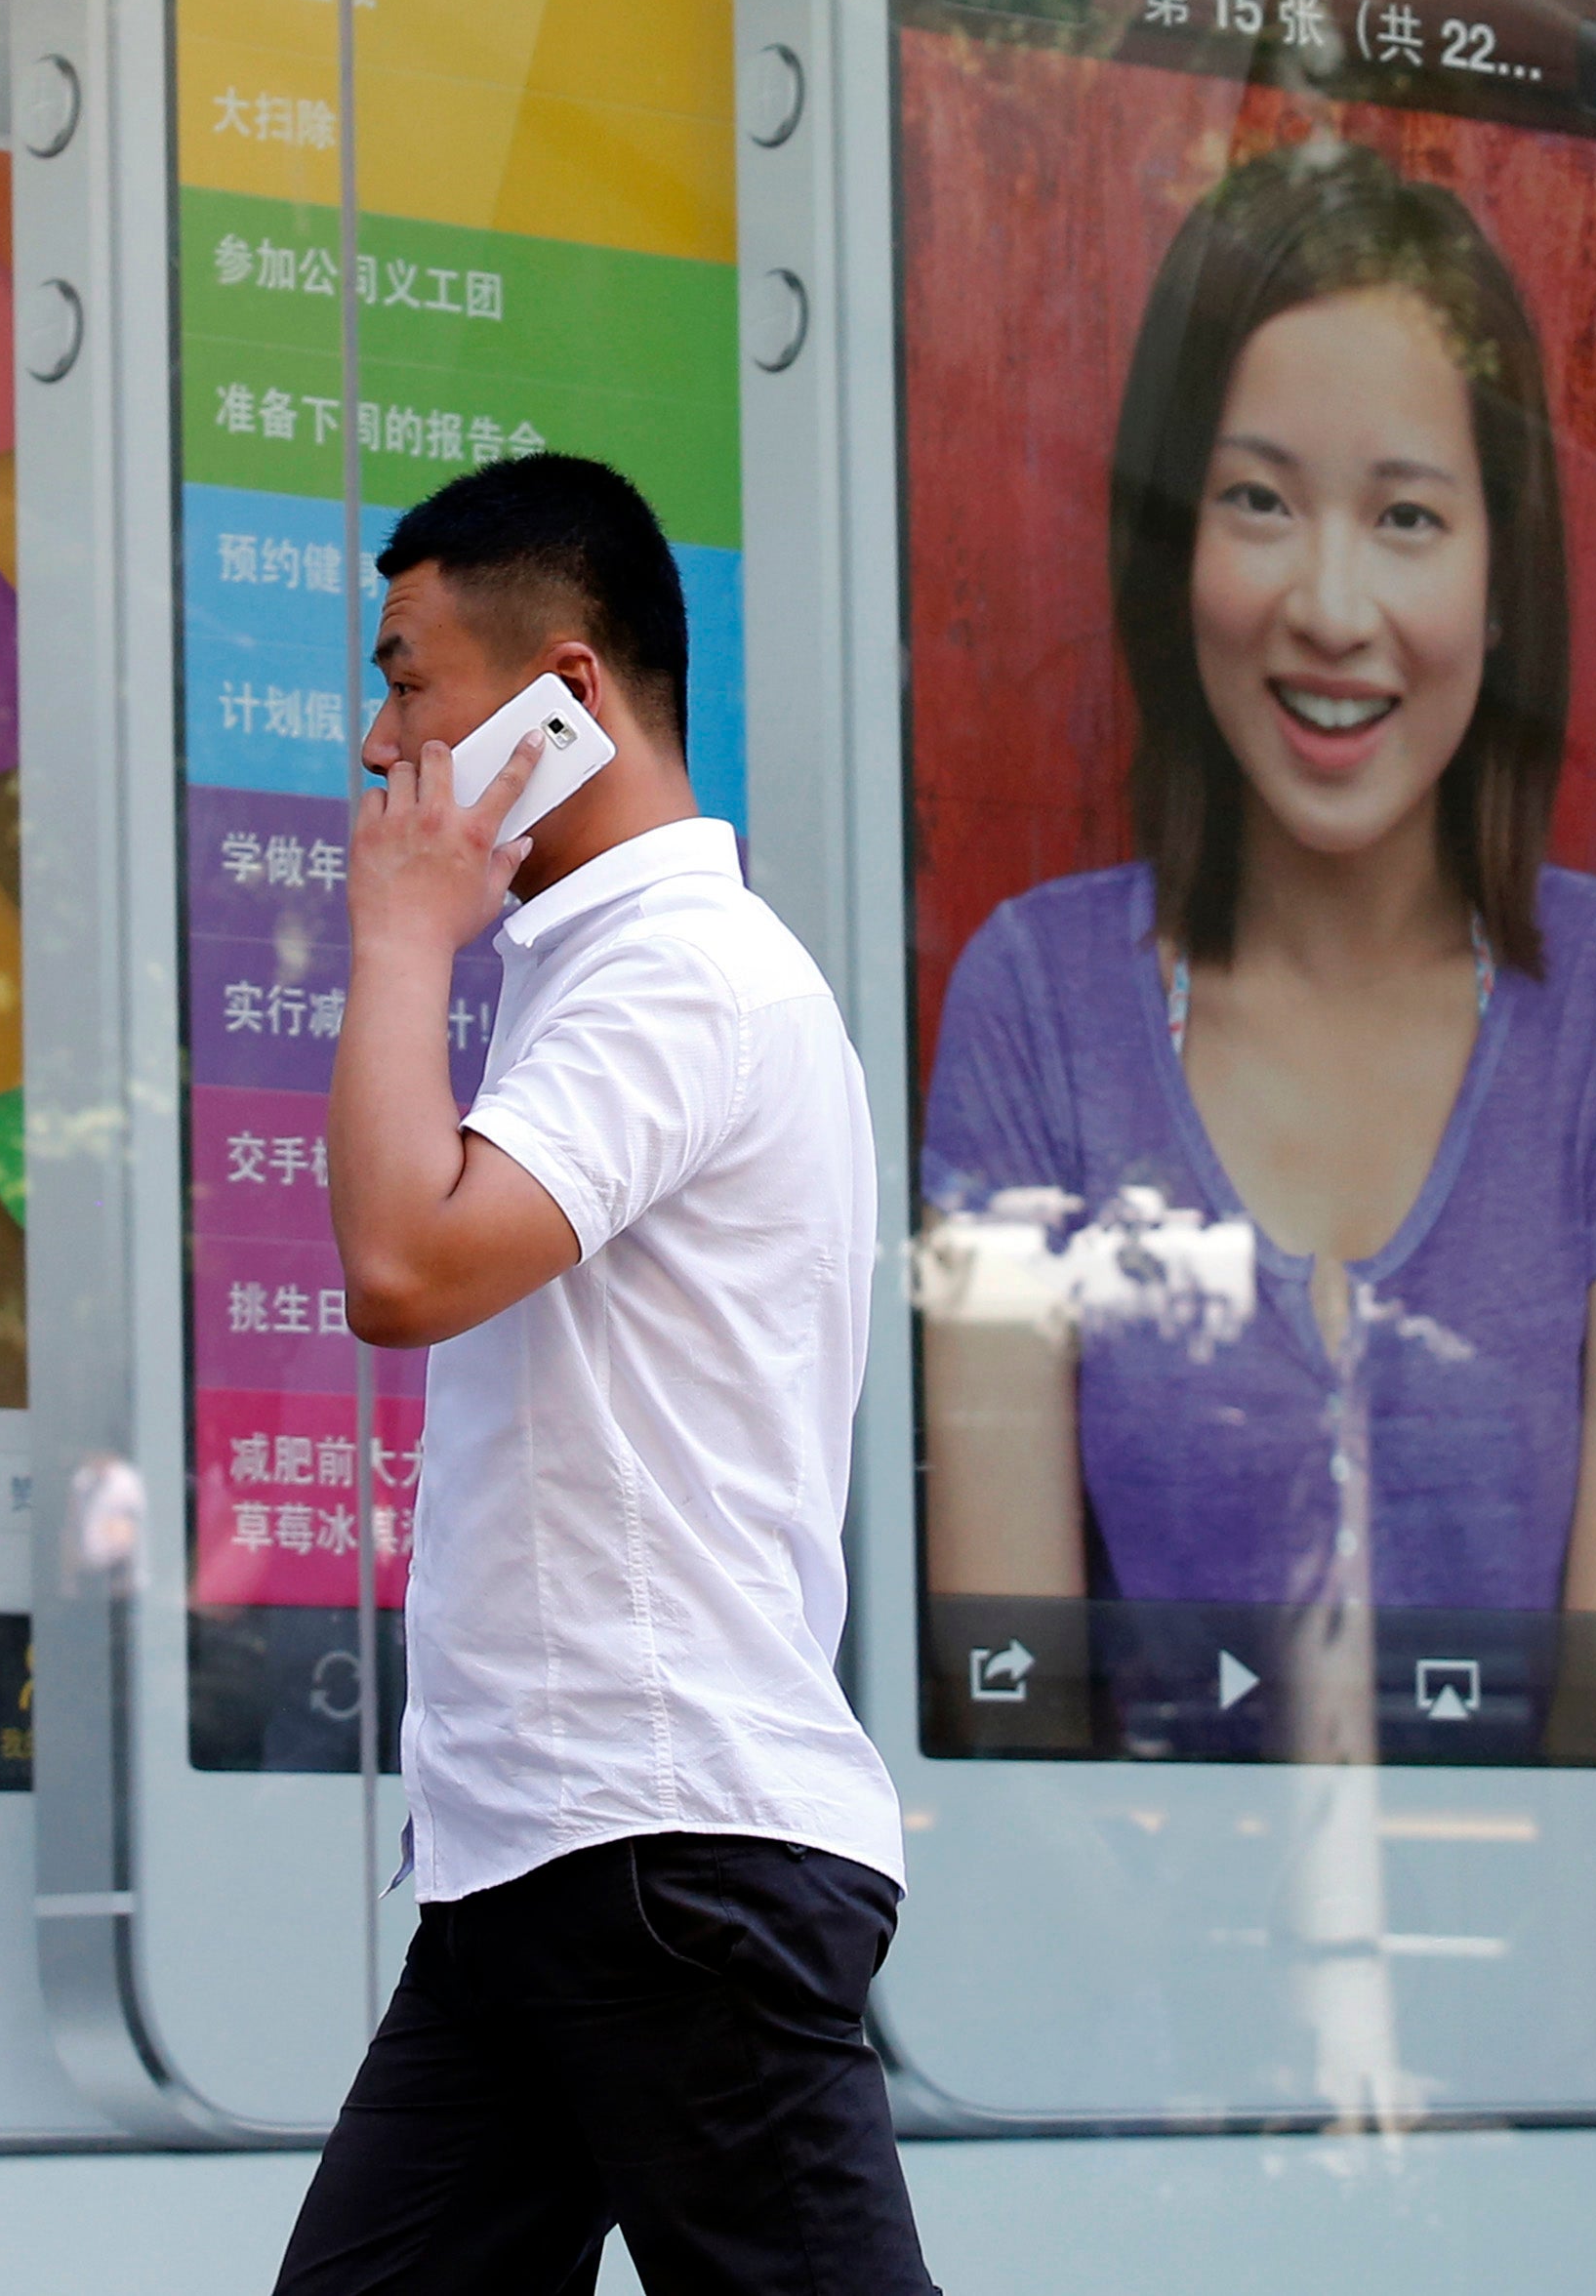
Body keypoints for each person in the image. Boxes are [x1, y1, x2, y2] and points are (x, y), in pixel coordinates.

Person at [272, 454, 932, 2296]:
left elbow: (404, 1264)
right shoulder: (604, 974)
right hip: (540, 1863)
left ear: (561, 703)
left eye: (409, 682)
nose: (379, 743)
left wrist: (402, 932)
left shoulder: (687, 976)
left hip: (664, 1857)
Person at [919, 141, 1596, 1623]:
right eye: (1259, 502)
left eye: (1409, 517)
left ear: (1501, 586)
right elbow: (1000, 1680)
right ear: (1178, 555)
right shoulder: (1032, 1005)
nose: (1334, 607)